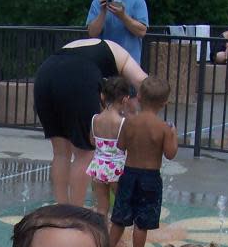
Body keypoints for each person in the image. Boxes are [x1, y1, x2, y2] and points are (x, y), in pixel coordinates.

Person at [34, 38, 147, 206]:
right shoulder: (123, 58)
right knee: (85, 153)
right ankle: (77, 212)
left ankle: (62, 208)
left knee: (60, 153)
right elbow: (142, 81)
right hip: (77, 76)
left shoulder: (98, 47)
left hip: (45, 74)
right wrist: (148, 114)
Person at [110, 76, 177, 247]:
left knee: (119, 217)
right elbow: (170, 154)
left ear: (138, 97)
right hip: (150, 178)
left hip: (128, 174)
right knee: (142, 221)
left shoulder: (129, 122)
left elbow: (121, 146)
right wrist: (174, 135)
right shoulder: (163, 128)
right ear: (164, 103)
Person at [85, 75, 135, 220]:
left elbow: (92, 141)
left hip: (98, 166)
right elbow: (126, 146)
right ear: (125, 99)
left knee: (101, 207)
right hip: (117, 168)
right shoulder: (123, 122)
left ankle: (103, 236)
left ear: (102, 96)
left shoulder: (95, 119)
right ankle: (117, 240)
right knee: (121, 205)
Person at [86, 0, 149, 66]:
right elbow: (92, 33)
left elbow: (142, 32)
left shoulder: (138, 1)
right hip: (103, 62)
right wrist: (103, 12)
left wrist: (123, 16)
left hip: (130, 64)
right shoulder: (97, 2)